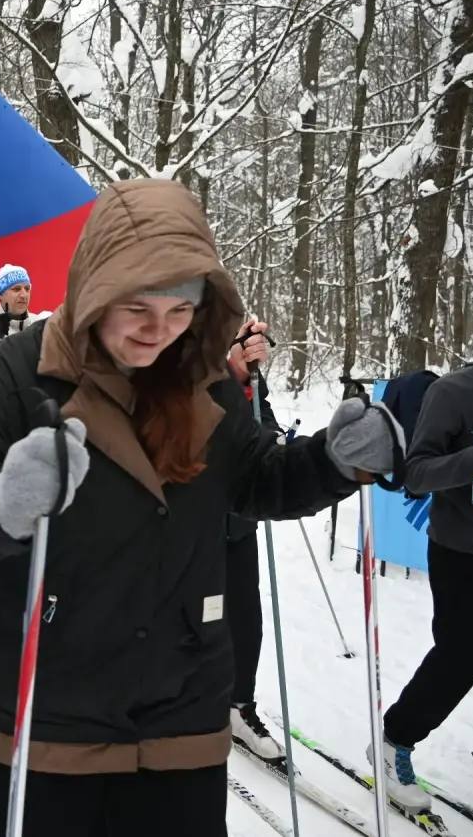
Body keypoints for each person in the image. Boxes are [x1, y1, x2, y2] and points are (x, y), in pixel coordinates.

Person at [0, 179, 402, 837]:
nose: (160, 330)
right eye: (138, 308)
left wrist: (332, 461)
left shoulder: (201, 376)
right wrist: (5, 502)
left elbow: (255, 478)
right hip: (44, 713)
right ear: (95, 289)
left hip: (179, 710)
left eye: (181, 310)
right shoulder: (21, 370)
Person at [377, 360, 473, 811]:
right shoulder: (454, 392)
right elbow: (416, 475)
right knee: (460, 657)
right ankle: (394, 741)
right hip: (463, 552)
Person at [222, 322, 286, 761]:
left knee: (246, 618)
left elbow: (264, 422)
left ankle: (238, 706)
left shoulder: (248, 382)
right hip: (187, 521)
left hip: (238, 520)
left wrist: (276, 444)